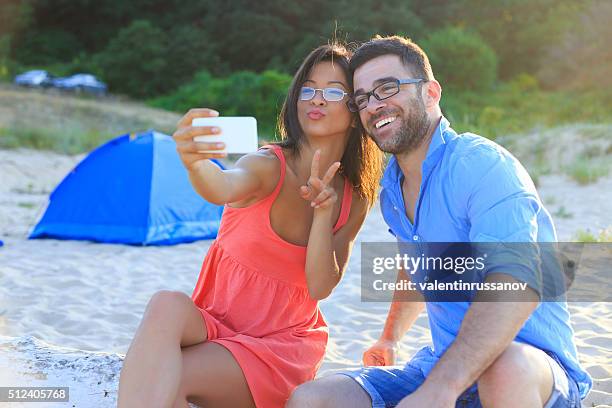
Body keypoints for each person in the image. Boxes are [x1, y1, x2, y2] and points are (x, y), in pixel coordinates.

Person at [287, 36, 592, 408]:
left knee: (504, 368)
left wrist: (440, 390)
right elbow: (420, 264)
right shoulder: (392, 190)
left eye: (387, 88)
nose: (374, 105)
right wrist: (391, 337)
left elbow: (518, 278)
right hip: (443, 366)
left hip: (530, 372)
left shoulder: (481, 165)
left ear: (431, 92)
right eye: (363, 98)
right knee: (314, 398)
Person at [116, 43, 383, 408]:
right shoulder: (266, 165)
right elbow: (222, 185)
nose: (316, 99)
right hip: (216, 322)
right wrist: (195, 164)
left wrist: (323, 215)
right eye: (308, 88)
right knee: (166, 304)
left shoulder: (354, 198)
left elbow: (320, 286)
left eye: (334, 91)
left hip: (278, 347)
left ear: (355, 112)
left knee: (174, 376)